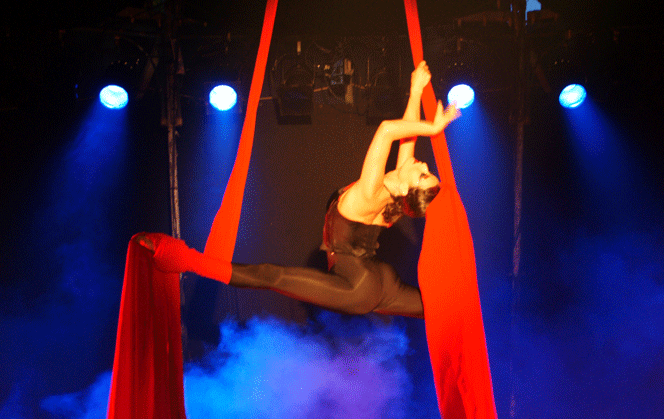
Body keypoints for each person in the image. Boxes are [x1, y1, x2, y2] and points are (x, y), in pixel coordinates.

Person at [135, 60, 459, 318]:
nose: (423, 165)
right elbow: (407, 137)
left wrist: (433, 128)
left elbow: (389, 129)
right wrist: (415, 90)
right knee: (446, 311)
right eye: (428, 171)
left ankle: (184, 259)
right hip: (379, 280)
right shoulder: (397, 184)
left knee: (271, 276)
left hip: (360, 288)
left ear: (408, 188)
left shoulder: (373, 193)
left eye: (424, 175)